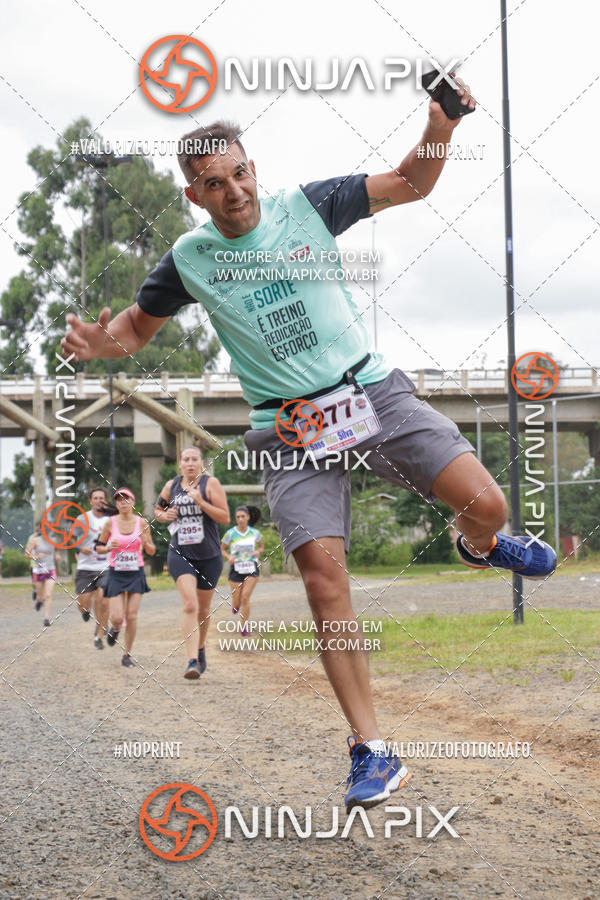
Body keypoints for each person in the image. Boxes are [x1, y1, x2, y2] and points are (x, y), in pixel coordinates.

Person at [61, 81, 558, 811]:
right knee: (325, 582)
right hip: (289, 429)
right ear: (194, 195)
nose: (234, 191)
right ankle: (372, 750)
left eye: (239, 173)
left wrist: (439, 126)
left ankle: (479, 544)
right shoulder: (191, 258)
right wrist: (98, 343)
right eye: (213, 184)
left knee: (489, 505)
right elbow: (135, 328)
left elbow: (412, 182)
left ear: (252, 167)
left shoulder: (309, 206)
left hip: (372, 393)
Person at [155, 447, 229, 679]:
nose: (189, 463)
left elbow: (225, 517)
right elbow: (158, 510)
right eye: (185, 459)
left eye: (194, 459)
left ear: (201, 463)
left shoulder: (210, 484)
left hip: (209, 556)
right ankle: (192, 661)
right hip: (180, 553)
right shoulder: (171, 486)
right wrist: (164, 515)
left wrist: (201, 502)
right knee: (190, 604)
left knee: (203, 610)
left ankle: (200, 646)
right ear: (180, 463)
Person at [96, 488, 155, 668]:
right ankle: (115, 629)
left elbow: (152, 551)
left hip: (136, 572)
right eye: (119, 500)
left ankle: (126, 655)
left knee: (131, 616)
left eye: (126, 499)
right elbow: (98, 547)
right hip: (116, 573)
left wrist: (146, 542)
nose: (123, 502)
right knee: (117, 617)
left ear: (133, 502)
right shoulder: (110, 523)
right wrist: (108, 548)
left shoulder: (142, 523)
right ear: (116, 504)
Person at [74, 486, 111, 650]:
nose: (98, 501)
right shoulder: (82, 519)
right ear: (90, 501)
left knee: (103, 599)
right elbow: (71, 539)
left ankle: (99, 634)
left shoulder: (112, 519)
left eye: (101, 498)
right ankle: (84, 611)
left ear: (105, 501)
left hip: (105, 566)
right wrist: (80, 548)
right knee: (83, 603)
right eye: (95, 498)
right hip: (85, 567)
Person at [221, 506, 263, 636]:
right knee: (237, 602)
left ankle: (244, 627)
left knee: (245, 597)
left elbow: (261, 547)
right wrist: (229, 557)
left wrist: (258, 552)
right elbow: (221, 549)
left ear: (248, 517)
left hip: (251, 567)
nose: (240, 519)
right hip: (236, 569)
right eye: (238, 517)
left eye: (243, 516)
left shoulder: (255, 533)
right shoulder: (230, 533)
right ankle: (235, 605)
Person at [25, 522, 56, 627]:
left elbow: (57, 551)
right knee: (41, 596)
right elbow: (26, 554)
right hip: (38, 571)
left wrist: (57, 555)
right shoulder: (35, 540)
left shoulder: (54, 540)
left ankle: (46, 618)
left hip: (50, 570)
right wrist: (36, 556)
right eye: (45, 528)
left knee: (48, 594)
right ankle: (39, 600)